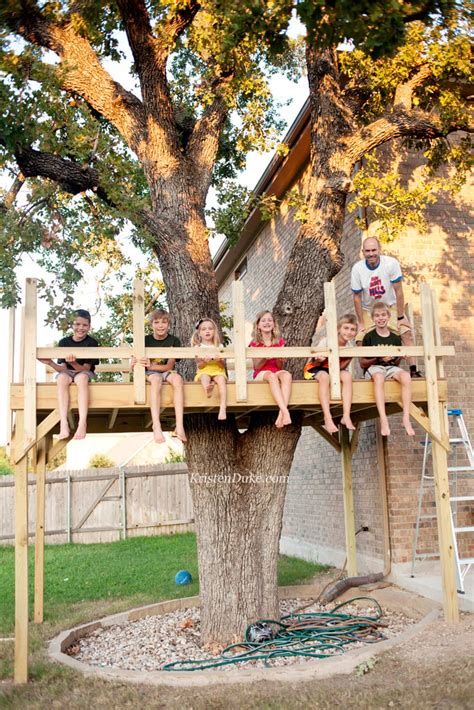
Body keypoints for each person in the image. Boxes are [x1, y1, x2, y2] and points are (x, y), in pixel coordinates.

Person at [351, 236, 422, 377]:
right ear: (363, 252)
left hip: (390, 305)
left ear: (379, 250)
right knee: (360, 336)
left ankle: (413, 370)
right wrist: (360, 321)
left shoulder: (390, 264)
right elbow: (357, 297)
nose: (371, 253)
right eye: (367, 251)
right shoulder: (357, 269)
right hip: (368, 308)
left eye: (374, 250)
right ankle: (364, 371)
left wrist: (401, 316)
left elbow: (399, 291)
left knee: (406, 332)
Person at [38, 309, 99, 440]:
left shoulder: (92, 343)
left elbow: (85, 369)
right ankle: (63, 423)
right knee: (61, 379)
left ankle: (82, 422)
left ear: (89, 326)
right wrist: (50, 363)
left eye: (84, 325)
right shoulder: (64, 342)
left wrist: (75, 362)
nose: (80, 328)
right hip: (68, 373)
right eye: (77, 324)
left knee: (81, 378)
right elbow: (63, 369)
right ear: (72, 325)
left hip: (83, 372)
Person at [130, 309, 186, 444]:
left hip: (163, 370)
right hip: (150, 374)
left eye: (164, 322)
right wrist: (134, 363)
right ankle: (156, 424)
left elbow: (168, 367)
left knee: (178, 379)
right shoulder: (144, 340)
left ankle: (179, 425)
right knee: (156, 379)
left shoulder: (174, 341)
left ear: (169, 324)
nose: (160, 325)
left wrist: (151, 365)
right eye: (157, 322)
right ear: (151, 325)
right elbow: (134, 362)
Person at [360, 301, 415, 437]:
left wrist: (400, 358)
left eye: (383, 315)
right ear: (373, 319)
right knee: (379, 377)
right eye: (377, 316)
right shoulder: (369, 337)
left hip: (390, 368)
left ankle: (406, 418)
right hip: (374, 368)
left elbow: (395, 364)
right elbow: (362, 363)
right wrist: (378, 358)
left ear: (388, 316)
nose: (381, 318)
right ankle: (383, 419)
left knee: (406, 376)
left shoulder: (395, 338)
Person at [304, 313, 358, 433]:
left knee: (347, 376)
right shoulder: (327, 341)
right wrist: (318, 359)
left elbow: (341, 367)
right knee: (325, 377)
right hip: (316, 368)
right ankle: (327, 417)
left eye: (352, 329)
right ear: (339, 328)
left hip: (334, 369)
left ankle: (346, 415)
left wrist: (349, 357)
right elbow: (314, 361)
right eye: (346, 328)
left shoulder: (349, 346)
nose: (348, 332)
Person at [249, 310, 292, 428]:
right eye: (263, 320)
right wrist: (265, 356)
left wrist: (280, 358)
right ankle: (286, 411)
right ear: (258, 325)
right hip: (261, 373)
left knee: (287, 375)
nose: (267, 323)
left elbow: (279, 367)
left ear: (274, 324)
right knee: (271, 376)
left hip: (275, 370)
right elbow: (257, 366)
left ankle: (281, 414)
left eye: (269, 320)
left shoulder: (279, 341)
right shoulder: (255, 343)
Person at [192, 318, 227, 421]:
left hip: (217, 370)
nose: (207, 331)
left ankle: (223, 407)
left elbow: (222, 365)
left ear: (214, 331)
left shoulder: (219, 346)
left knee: (221, 380)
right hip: (204, 370)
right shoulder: (197, 347)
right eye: (204, 329)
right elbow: (200, 366)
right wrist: (205, 361)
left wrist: (219, 360)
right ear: (199, 332)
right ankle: (207, 389)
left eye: (210, 329)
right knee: (204, 377)